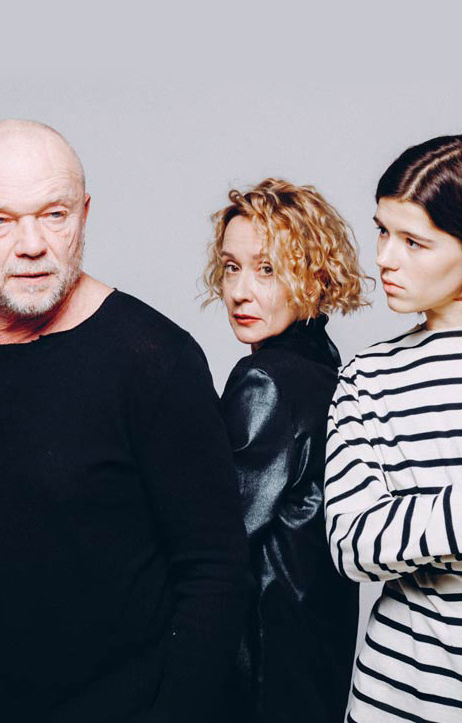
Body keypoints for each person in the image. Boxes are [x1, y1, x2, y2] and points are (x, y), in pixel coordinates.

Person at [0, 119, 249, 723]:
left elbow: (216, 573)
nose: (32, 244)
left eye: (54, 214)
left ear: (85, 214)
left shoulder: (155, 359)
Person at [203, 178, 367, 723]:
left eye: (267, 269)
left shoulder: (266, 379)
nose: (239, 291)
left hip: (260, 664)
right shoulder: (327, 368)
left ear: (315, 277)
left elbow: (218, 538)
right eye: (231, 267)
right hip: (314, 656)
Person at [325, 134, 462, 722]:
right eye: (383, 231)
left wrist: (416, 523)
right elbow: (353, 544)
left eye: (414, 242)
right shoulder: (368, 376)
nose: (384, 258)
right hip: (397, 697)